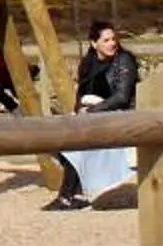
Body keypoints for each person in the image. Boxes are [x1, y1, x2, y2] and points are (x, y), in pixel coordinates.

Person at [45, 22, 141, 210]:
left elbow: (122, 97)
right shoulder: (88, 64)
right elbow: (81, 94)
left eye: (113, 39)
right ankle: (77, 194)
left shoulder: (124, 61)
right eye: (106, 40)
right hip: (94, 115)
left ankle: (66, 196)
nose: (112, 43)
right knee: (61, 137)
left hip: (120, 116)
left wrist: (91, 112)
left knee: (79, 145)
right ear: (93, 43)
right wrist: (80, 110)